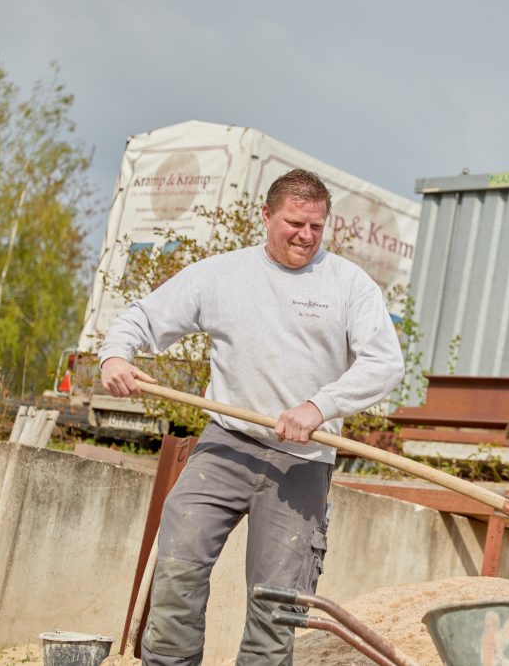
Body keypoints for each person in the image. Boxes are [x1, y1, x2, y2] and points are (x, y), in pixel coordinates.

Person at [99, 168, 405, 665]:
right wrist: (115, 355)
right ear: (265, 215)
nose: (305, 236)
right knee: (177, 568)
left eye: (316, 227)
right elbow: (143, 317)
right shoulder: (220, 275)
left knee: (276, 605)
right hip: (225, 446)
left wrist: (318, 407)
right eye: (293, 223)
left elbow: (386, 363)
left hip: (302, 463)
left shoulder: (350, 285)